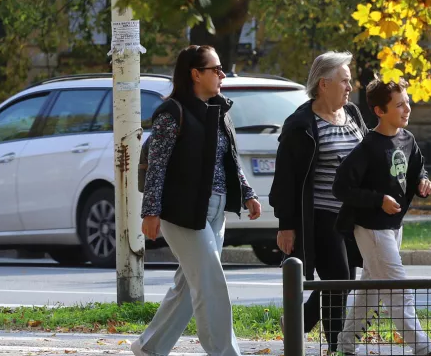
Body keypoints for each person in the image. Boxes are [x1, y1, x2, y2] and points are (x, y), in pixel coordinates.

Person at [133, 45, 262, 356]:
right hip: (183, 212)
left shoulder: (218, 110)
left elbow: (228, 158)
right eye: (215, 69)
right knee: (210, 283)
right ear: (195, 73)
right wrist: (150, 212)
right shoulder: (172, 112)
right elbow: (158, 166)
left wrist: (248, 193)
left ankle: (149, 348)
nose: (221, 74)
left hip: (216, 210)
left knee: (189, 287)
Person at [333, 77, 431, 356]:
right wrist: (378, 200)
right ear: (380, 111)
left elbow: (418, 170)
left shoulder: (408, 139)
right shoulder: (368, 147)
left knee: (370, 291)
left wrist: (423, 182)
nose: (407, 109)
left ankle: (344, 347)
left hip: (394, 227)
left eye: (407, 103)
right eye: (399, 105)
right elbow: (342, 187)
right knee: (397, 288)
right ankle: (425, 349)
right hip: (371, 228)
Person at [269, 51, 368, 353]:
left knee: (343, 280)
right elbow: (285, 180)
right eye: (345, 81)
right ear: (324, 84)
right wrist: (286, 225)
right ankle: (336, 346)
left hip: (353, 216)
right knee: (338, 279)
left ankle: (299, 321)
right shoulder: (301, 124)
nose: (350, 87)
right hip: (321, 216)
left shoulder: (352, 114)